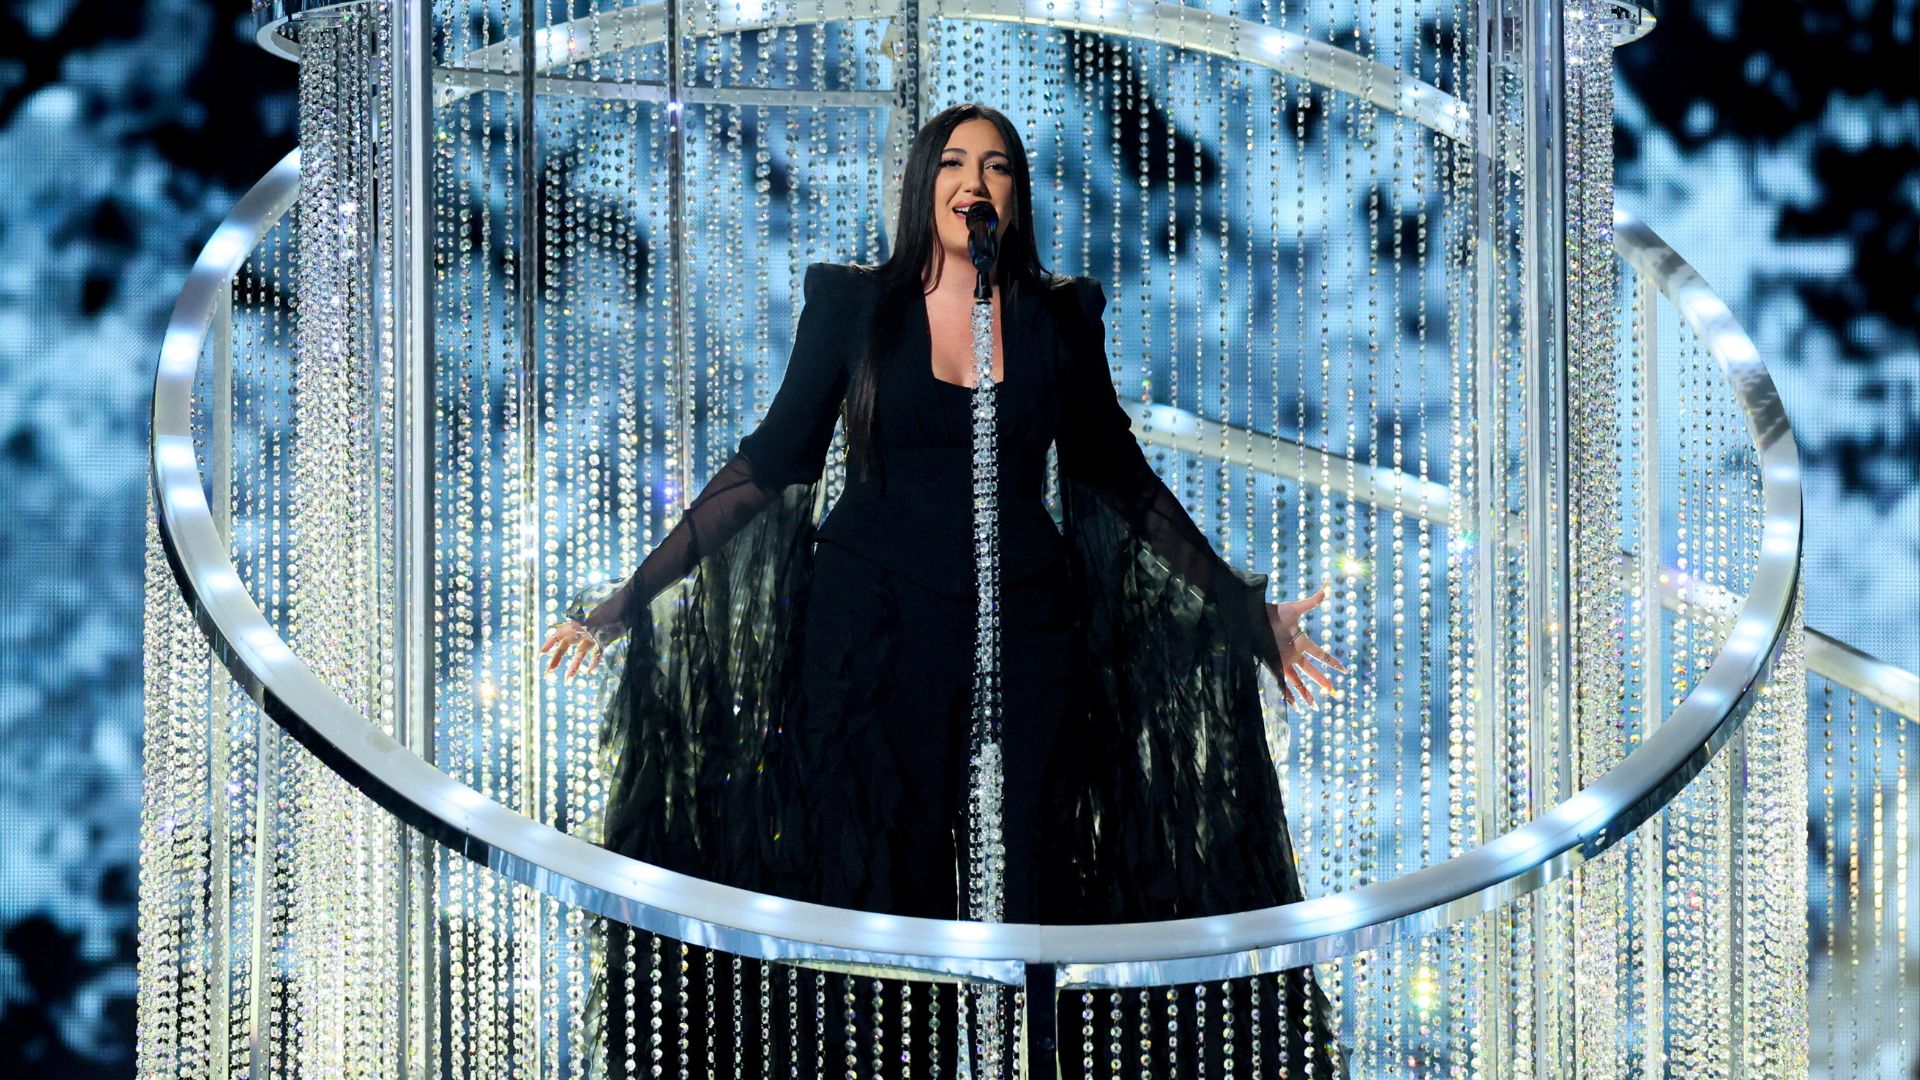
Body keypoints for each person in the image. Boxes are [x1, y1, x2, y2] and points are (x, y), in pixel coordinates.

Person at [542, 103, 1349, 1079]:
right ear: (925, 183)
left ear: (1015, 195)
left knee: (1041, 886)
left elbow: (1119, 479)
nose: (976, 179)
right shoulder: (852, 305)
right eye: (956, 162)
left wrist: (1241, 613)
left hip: (1030, 624)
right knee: (882, 887)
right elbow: (771, 464)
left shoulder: (1059, 316)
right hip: (871, 629)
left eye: (998, 166)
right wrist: (623, 602)